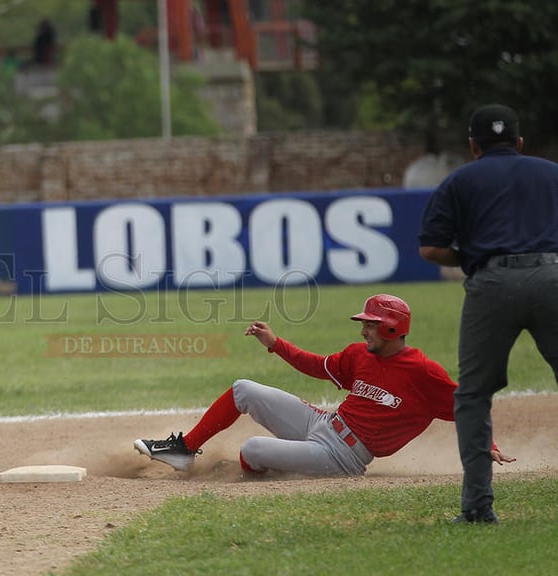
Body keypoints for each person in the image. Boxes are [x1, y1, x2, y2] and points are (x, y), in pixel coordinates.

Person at [134, 295, 514, 494]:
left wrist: (489, 442)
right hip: (323, 423)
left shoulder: (423, 372)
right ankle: (183, 451)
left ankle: (257, 482)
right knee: (243, 389)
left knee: (250, 449)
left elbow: (467, 405)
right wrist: (275, 343)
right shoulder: (359, 355)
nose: (364, 330)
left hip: (344, 457)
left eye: (371, 324)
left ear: (393, 328)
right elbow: (316, 365)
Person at [419, 103, 558, 524]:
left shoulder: (459, 180)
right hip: (553, 276)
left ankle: (478, 507)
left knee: (474, 395)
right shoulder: (551, 172)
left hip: (492, 283)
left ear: (473, 146)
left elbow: (430, 248)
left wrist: (475, 258)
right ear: (519, 142)